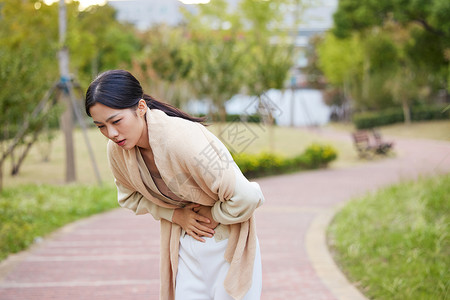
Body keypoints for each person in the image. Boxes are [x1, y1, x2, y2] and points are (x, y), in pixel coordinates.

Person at [85, 70, 265, 300]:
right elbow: (129, 197)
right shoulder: (118, 151)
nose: (111, 133)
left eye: (116, 121)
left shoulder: (181, 140)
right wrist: (176, 216)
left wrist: (213, 213)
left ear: (140, 107)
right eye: (100, 126)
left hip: (227, 244)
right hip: (183, 245)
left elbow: (248, 196)